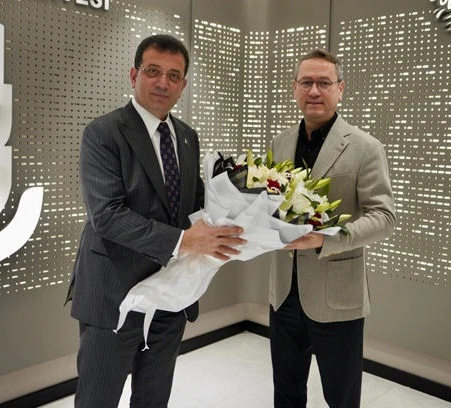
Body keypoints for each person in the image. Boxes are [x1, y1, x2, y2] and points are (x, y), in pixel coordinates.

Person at [66, 34, 245, 408]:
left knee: (153, 399)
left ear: (183, 84)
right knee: (97, 400)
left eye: (173, 75)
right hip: (114, 295)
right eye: (153, 71)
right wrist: (184, 241)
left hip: (171, 296)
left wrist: (240, 209)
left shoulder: (187, 137)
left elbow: (194, 202)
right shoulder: (103, 132)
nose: (163, 82)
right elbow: (107, 216)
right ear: (134, 75)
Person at [269, 49, 396, 408]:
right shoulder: (280, 143)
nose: (314, 91)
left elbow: (384, 216)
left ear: (340, 89)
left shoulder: (365, 147)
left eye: (324, 83)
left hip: (337, 299)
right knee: (286, 394)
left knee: (341, 398)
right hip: (283, 294)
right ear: (294, 88)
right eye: (306, 82)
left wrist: (326, 239)